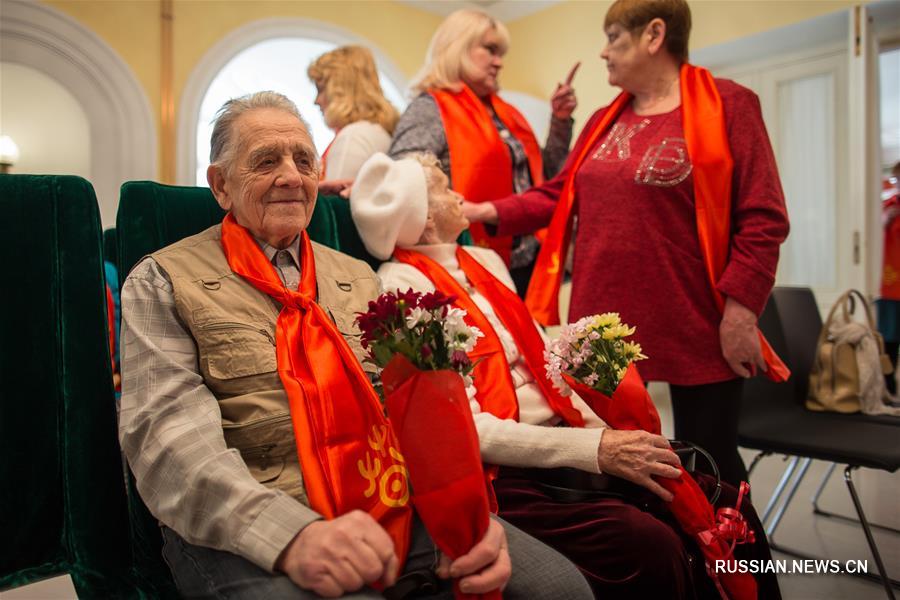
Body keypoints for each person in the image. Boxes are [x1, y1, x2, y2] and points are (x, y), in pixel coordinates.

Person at [118, 91, 593, 600]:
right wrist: (290, 536)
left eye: (304, 160)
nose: (291, 176)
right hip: (252, 517)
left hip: (385, 497)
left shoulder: (359, 277)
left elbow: (422, 412)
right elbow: (169, 442)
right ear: (221, 185)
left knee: (561, 587)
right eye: (265, 161)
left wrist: (469, 510)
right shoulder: (162, 280)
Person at [349, 151, 781, 600]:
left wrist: (614, 432)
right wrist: (597, 448)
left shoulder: (483, 260)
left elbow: (542, 363)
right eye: (443, 186)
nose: (459, 194)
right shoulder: (401, 290)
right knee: (648, 543)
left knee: (724, 498)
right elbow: (462, 430)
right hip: (508, 473)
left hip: (568, 438)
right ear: (420, 213)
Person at [464, 0, 790, 490]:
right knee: (618, 459)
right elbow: (557, 195)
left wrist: (742, 312)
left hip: (696, 317)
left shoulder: (730, 104)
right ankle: (664, 564)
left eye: (614, 37)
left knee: (712, 466)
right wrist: (485, 211)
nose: (603, 52)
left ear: (654, 35)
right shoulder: (600, 120)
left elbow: (763, 217)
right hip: (604, 325)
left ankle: (740, 566)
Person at [388, 8, 578, 296]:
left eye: (501, 53)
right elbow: (405, 183)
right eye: (490, 50)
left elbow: (543, 178)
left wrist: (560, 121)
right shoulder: (430, 108)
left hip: (525, 262)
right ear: (458, 48)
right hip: (470, 264)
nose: (499, 62)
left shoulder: (505, 113)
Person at [308, 45, 399, 183]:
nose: (316, 101)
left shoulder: (353, 137)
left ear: (341, 90)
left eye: (321, 90)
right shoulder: (377, 132)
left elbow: (335, 202)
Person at [877, 161, 900, 396]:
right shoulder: (887, 208)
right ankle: (888, 386)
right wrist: (885, 221)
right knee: (889, 339)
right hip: (891, 285)